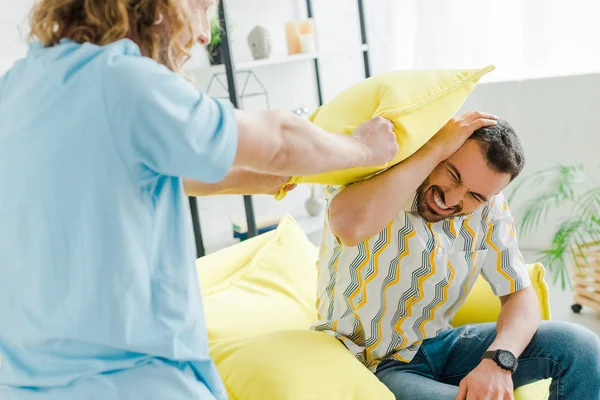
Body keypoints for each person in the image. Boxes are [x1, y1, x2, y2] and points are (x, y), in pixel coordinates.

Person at [0, 0, 399, 399]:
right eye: (200, 6)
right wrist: (362, 149)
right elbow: (279, 140)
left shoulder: (21, 84)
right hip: (135, 381)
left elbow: (165, 173)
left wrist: (260, 181)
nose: (206, 32)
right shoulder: (126, 82)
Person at [312, 113, 600, 400]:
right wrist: (434, 147)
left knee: (580, 346)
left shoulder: (489, 208)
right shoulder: (381, 174)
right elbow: (348, 226)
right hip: (373, 362)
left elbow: (519, 295)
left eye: (474, 196)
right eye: (452, 175)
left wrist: (499, 361)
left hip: (441, 345)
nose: (451, 200)